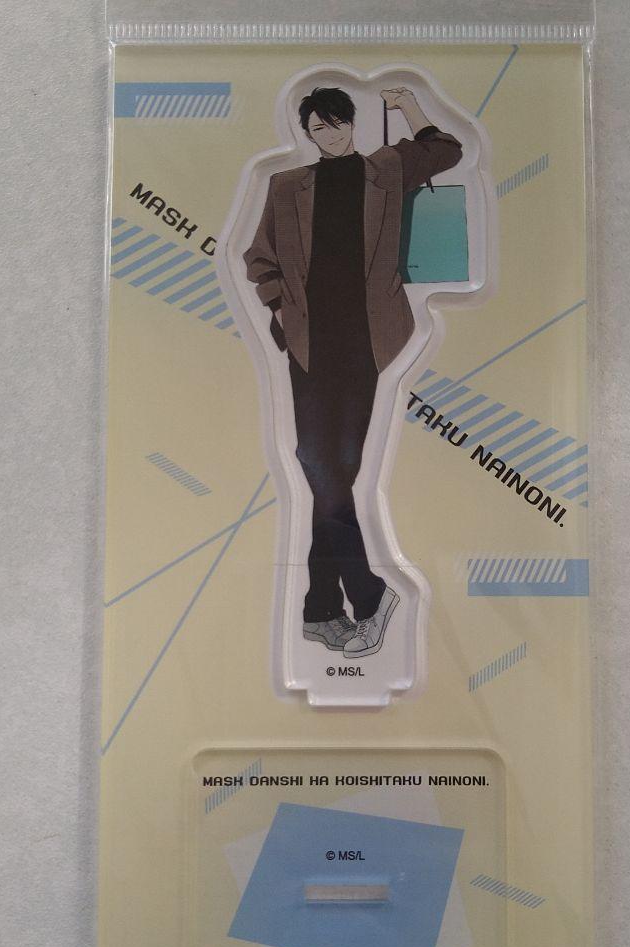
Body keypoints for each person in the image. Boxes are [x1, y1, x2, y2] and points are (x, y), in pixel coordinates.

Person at [244, 85, 462, 658]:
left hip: (368, 342)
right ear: (307, 134)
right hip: (309, 345)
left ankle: (332, 607)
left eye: (338, 124)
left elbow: (447, 151)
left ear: (353, 124)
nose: (330, 135)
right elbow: (259, 257)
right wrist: (281, 309)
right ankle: (348, 601)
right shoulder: (286, 185)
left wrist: (410, 107)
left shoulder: (386, 169)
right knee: (320, 467)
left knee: (332, 470)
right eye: (318, 128)